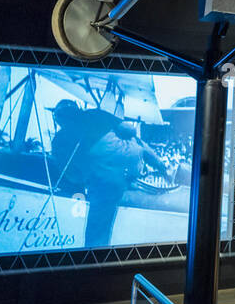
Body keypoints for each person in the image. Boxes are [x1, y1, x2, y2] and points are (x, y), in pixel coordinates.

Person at [50, 100, 168, 248]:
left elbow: (72, 176)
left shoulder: (58, 141)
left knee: (96, 235)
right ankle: (159, 169)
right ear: (77, 109)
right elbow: (130, 131)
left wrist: (87, 178)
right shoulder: (95, 114)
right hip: (134, 159)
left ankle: (96, 262)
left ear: (58, 118)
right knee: (137, 143)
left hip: (107, 181)